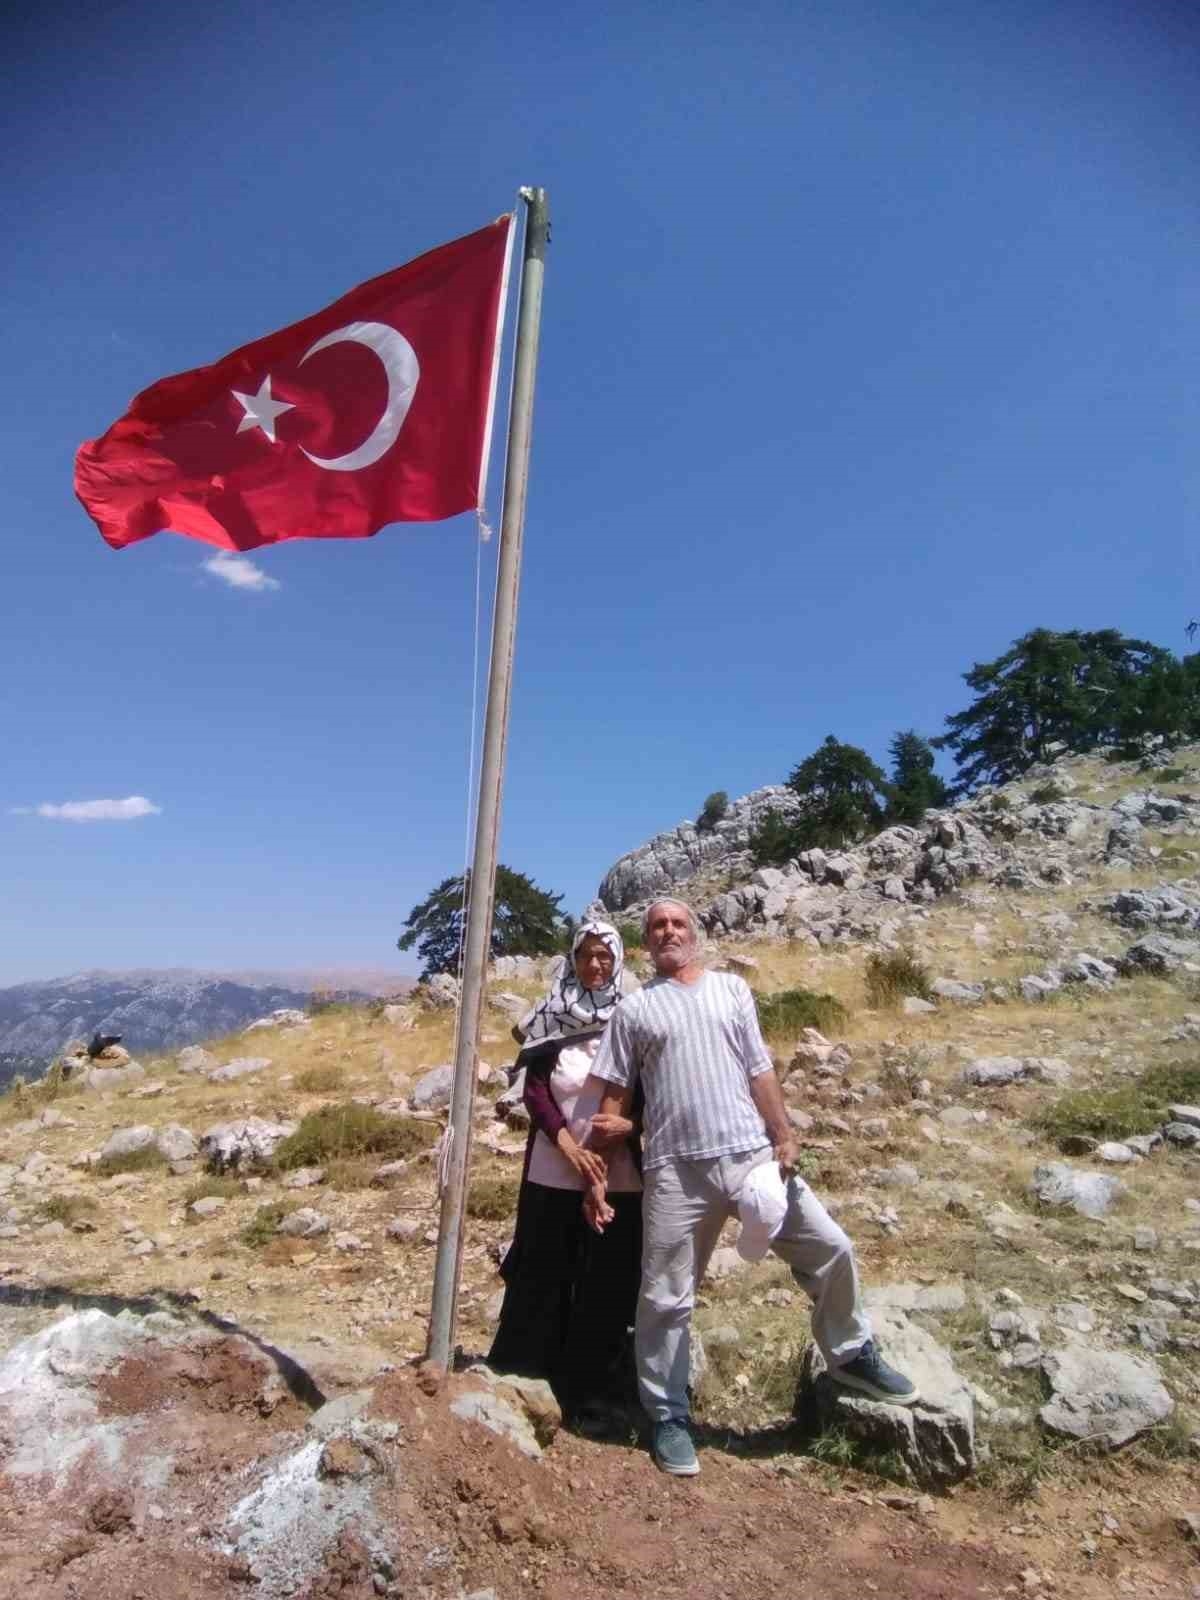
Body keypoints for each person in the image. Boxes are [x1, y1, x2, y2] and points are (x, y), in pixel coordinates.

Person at [586, 898, 918, 1477]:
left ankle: (849, 1352)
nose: (669, 931)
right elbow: (614, 1097)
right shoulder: (633, 1010)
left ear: (695, 934)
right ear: (645, 942)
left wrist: (784, 1134)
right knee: (665, 1297)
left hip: (751, 1157)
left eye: (678, 923)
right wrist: (599, 1178)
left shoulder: (732, 990)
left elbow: (759, 1068)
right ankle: (668, 1416)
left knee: (831, 1247)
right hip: (675, 1170)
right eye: (658, 925)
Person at [486, 920, 642, 1425]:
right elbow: (535, 1090)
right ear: (572, 959)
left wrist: (624, 1131)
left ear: (617, 960)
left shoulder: (636, 1015)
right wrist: (569, 1145)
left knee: (605, 1276)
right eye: (585, 955)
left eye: (604, 955)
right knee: (542, 1269)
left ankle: (591, 1389)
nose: (595, 964)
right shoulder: (553, 1013)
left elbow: (651, 1088)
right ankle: (525, 1376)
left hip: (618, 1172)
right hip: (553, 1167)